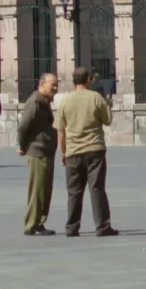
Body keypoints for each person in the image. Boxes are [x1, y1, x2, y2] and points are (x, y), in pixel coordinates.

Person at [54, 67, 117, 237]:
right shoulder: (95, 97)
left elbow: (61, 130)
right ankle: (103, 226)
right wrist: (108, 105)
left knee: (74, 191)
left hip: (73, 151)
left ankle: (72, 227)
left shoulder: (65, 101)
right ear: (88, 79)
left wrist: (63, 152)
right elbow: (107, 120)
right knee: (97, 189)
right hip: (94, 149)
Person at [16, 73, 60, 236]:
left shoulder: (43, 102)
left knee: (45, 190)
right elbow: (23, 127)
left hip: (46, 151)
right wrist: (22, 146)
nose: (55, 89)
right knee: (38, 189)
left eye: (56, 85)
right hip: (38, 151)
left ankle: (39, 222)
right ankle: (31, 225)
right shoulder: (35, 102)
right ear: (42, 84)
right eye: (52, 85)